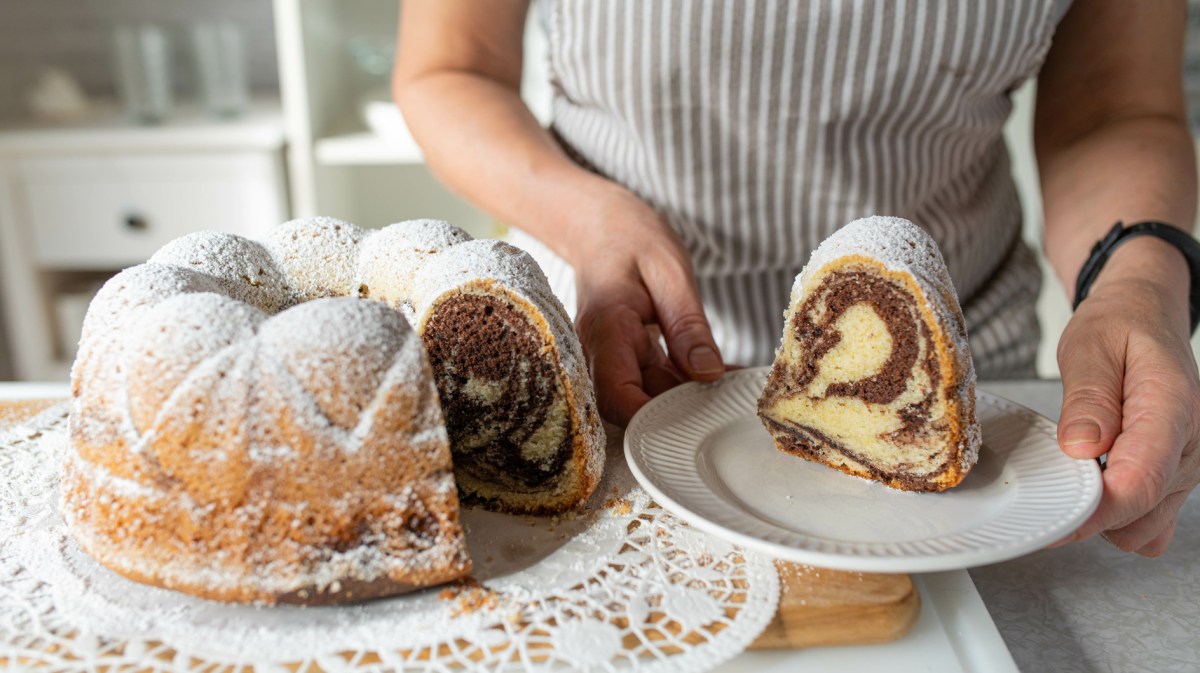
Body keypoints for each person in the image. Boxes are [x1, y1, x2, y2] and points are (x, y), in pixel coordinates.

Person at [393, 0, 1200, 557]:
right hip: (611, 374)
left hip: (969, 412)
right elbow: (451, 69)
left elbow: (1114, 107)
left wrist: (1137, 283)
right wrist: (589, 217)